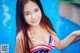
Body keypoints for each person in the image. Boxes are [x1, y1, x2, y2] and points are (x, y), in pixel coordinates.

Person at [15, 0, 80, 53]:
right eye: (27, 13)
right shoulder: (22, 36)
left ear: (40, 8)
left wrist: (75, 34)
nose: (34, 17)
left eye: (36, 10)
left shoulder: (46, 26)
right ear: (21, 16)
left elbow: (59, 45)